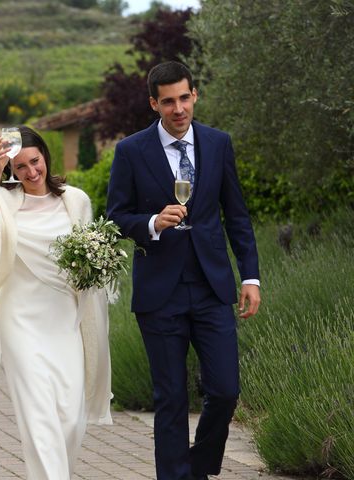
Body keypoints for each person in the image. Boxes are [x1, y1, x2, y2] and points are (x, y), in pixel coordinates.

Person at [106, 61, 261, 480]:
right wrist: (153, 223)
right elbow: (116, 216)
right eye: (168, 101)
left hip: (212, 287)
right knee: (171, 398)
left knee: (226, 391)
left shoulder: (217, 143)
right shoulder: (131, 151)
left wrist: (250, 276)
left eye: (185, 98)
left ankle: (197, 467)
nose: (178, 109)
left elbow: (237, 216)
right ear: (154, 103)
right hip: (161, 293)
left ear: (195, 95)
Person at [0, 126, 112, 479]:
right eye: (19, 167)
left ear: (46, 157)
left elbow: (89, 261)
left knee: (70, 416)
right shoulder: (5, 200)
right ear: (11, 171)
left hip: (65, 318)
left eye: (34, 161)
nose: (30, 172)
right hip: (21, 321)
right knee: (38, 416)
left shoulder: (75, 200)